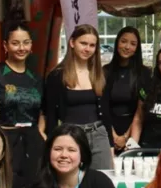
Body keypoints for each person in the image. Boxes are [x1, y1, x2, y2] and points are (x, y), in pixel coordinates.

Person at [43, 24, 114, 171]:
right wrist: (52, 144)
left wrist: (111, 145)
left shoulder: (101, 75)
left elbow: (106, 113)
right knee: (70, 182)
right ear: (72, 43)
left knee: (103, 179)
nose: (87, 49)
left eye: (92, 45)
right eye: (83, 43)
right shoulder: (57, 76)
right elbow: (50, 114)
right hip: (70, 135)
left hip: (98, 134)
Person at [0, 21, 46, 186]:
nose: (21, 48)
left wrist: (41, 131)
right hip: (5, 140)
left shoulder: (35, 78)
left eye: (26, 42)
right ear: (5, 45)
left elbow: (42, 110)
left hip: (32, 142)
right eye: (15, 43)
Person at [104, 26, 151, 152]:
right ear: (117, 42)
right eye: (123, 41)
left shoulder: (145, 73)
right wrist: (113, 136)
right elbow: (103, 107)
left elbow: (141, 110)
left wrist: (126, 136)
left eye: (133, 44)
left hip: (135, 130)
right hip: (108, 129)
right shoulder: (105, 72)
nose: (127, 47)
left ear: (137, 48)